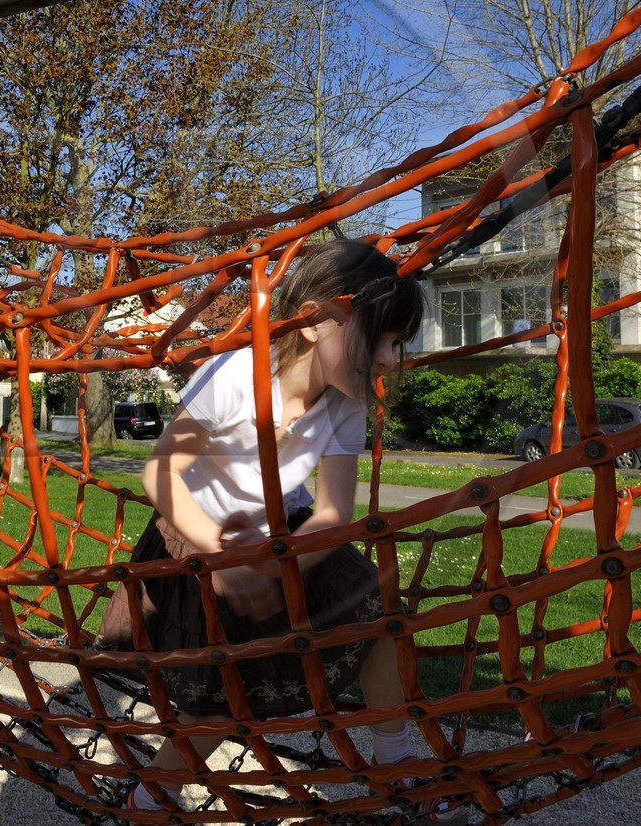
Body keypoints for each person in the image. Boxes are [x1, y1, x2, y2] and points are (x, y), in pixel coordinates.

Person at [96, 240, 455, 817]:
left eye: (399, 344)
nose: (391, 358)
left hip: (286, 534)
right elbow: (161, 473)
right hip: (198, 536)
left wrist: (274, 564)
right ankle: (150, 793)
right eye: (384, 338)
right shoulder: (236, 374)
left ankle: (394, 765)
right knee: (222, 694)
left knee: (381, 608)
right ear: (317, 322)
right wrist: (224, 559)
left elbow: (335, 512)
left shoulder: (346, 402)